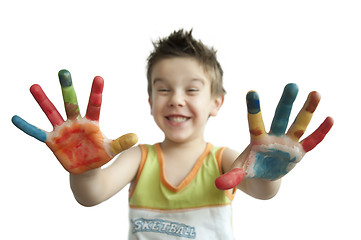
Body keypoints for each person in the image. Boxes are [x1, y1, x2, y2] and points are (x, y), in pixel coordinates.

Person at [12, 29, 333, 240]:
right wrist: (85, 168)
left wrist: (267, 172)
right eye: (163, 89)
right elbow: (91, 195)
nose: (176, 98)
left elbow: (263, 191)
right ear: (151, 102)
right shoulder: (139, 158)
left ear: (216, 102)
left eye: (192, 89)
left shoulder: (224, 160)